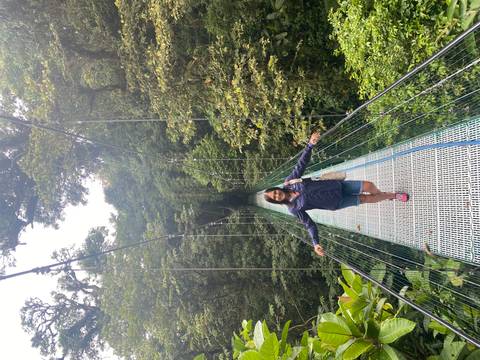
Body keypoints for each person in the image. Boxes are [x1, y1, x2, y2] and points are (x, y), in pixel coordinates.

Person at [263, 132, 409, 257]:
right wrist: (316, 243)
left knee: (368, 185)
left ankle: (383, 194)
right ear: (276, 201)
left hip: (337, 185)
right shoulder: (293, 209)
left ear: (277, 188)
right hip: (336, 203)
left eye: (274, 192)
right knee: (366, 198)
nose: (277, 195)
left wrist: (310, 145)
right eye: (274, 198)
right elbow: (309, 225)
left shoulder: (290, 182)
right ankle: (392, 196)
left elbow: (301, 165)